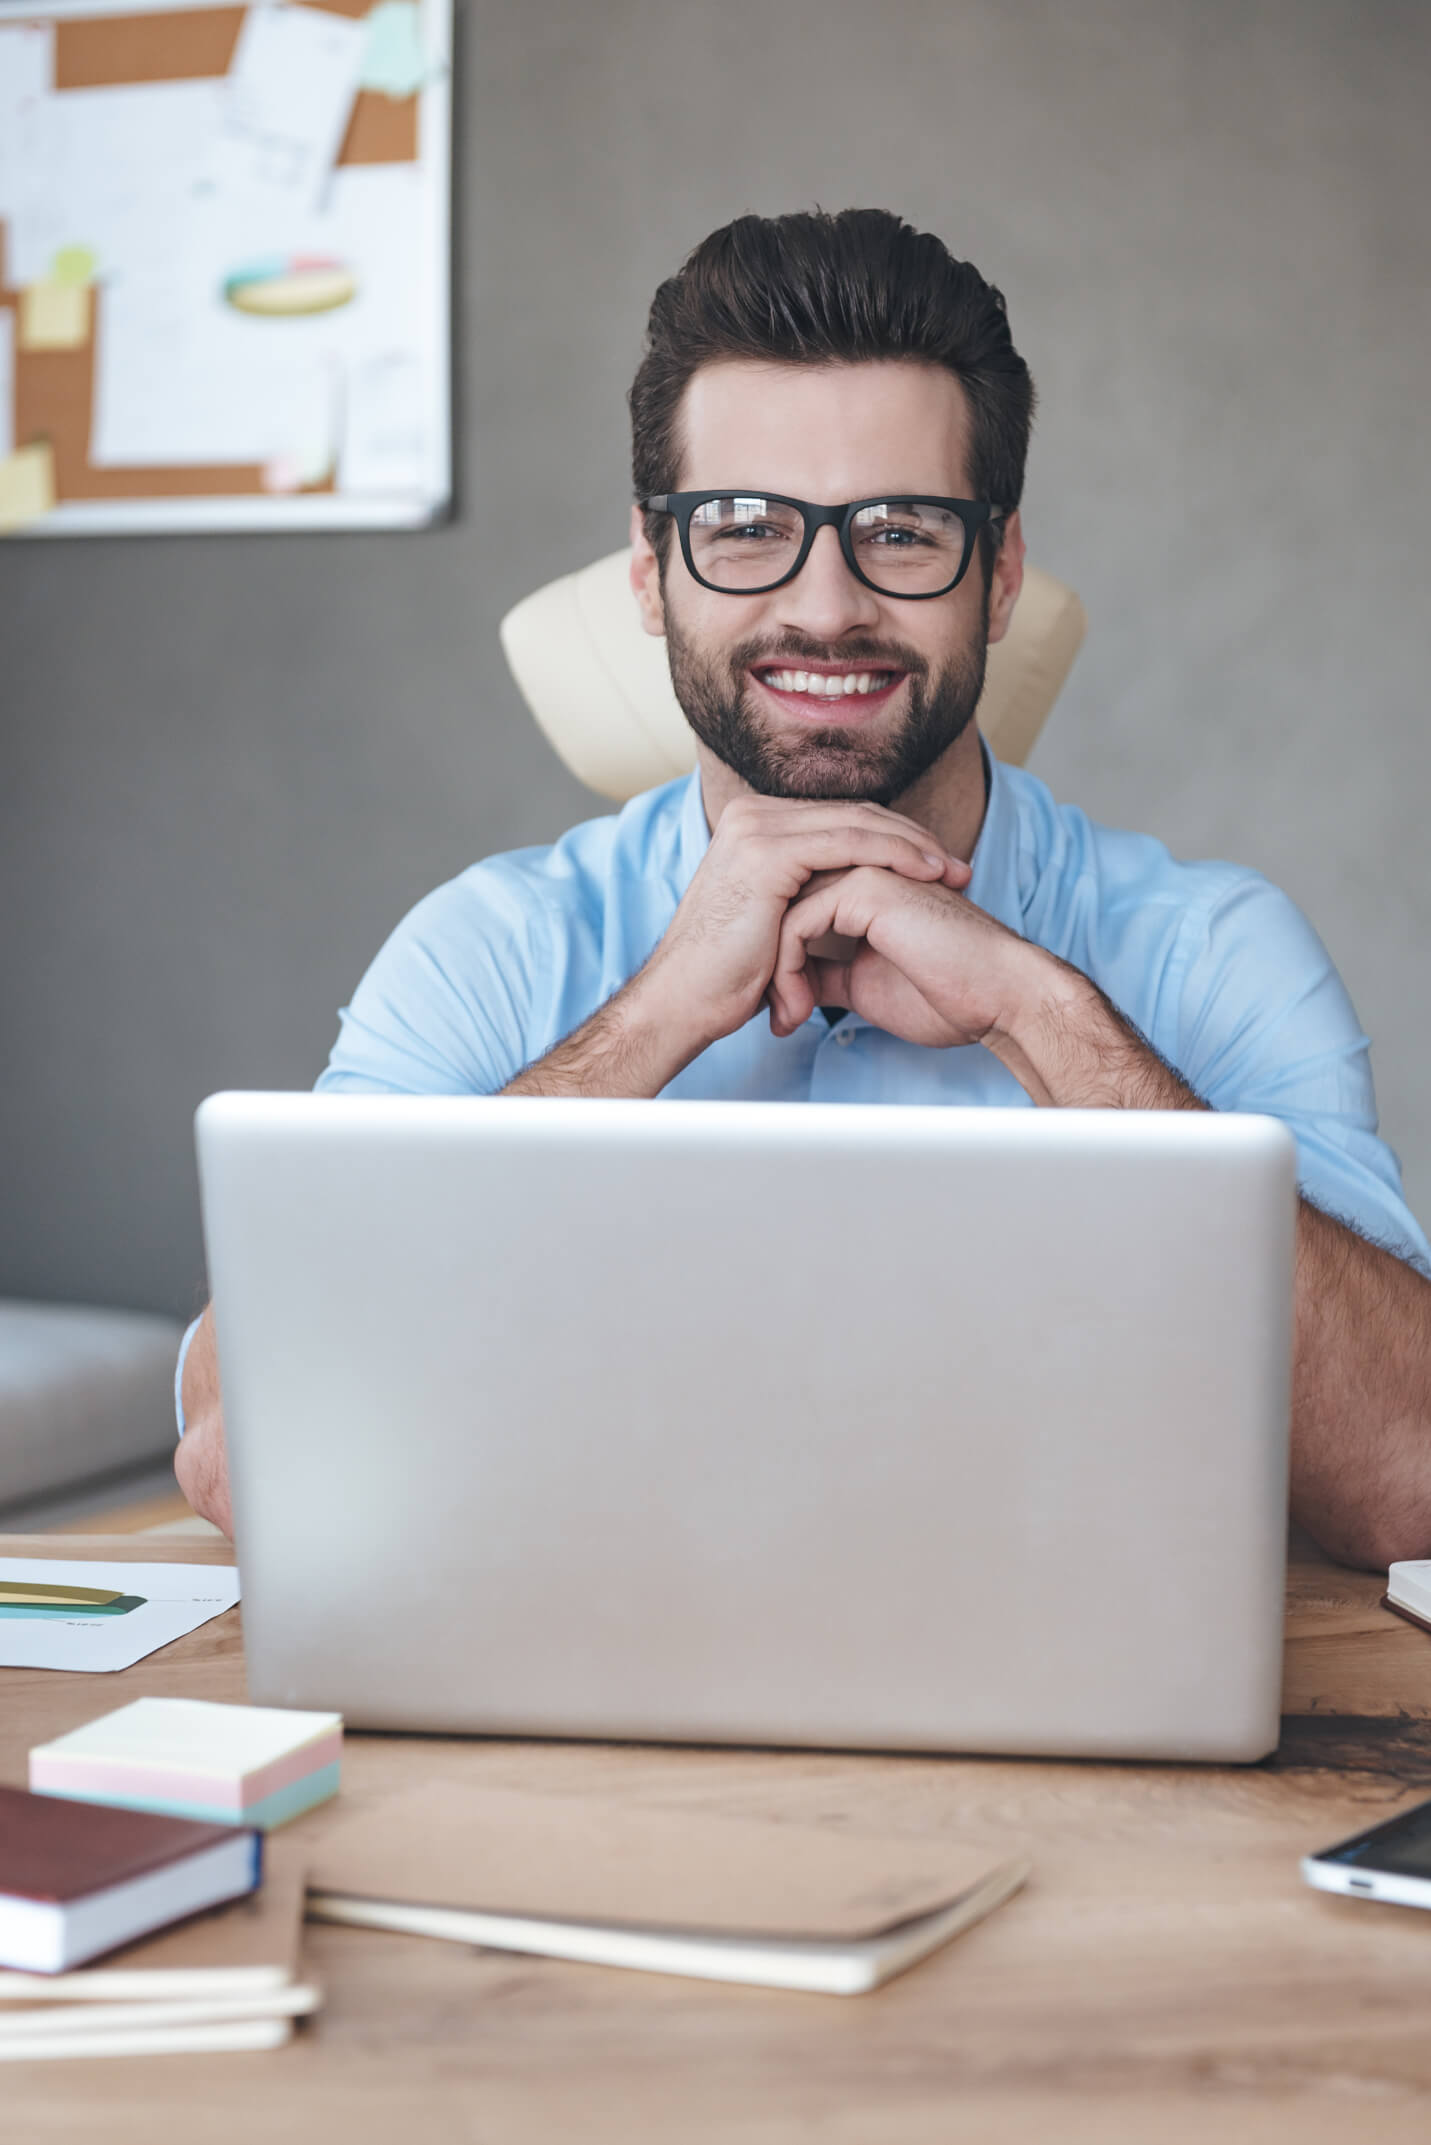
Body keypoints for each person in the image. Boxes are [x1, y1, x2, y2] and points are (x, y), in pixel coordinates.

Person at [176, 207, 1431, 1566]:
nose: (825, 604)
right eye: (744, 526)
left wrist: (1041, 1012)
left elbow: (1413, 1476)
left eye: (900, 529)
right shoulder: (491, 948)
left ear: (998, 572)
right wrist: (647, 1024)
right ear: (653, 573)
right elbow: (244, 1445)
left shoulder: (1211, 950)